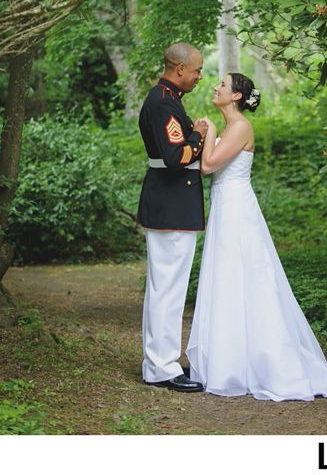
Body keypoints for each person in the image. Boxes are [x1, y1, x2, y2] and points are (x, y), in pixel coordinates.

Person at [185, 73, 327, 401]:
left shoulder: (239, 126)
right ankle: (228, 362)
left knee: (244, 277)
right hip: (225, 207)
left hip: (236, 211)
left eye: (223, 85)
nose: (216, 87)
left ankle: (261, 363)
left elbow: (208, 165)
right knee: (228, 279)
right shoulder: (231, 126)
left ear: (236, 96)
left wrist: (207, 130)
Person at [137, 43, 208, 392]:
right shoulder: (164, 102)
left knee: (165, 288)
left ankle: (160, 362)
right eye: (197, 70)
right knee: (167, 289)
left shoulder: (167, 98)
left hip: (170, 205)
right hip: (171, 206)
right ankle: (162, 367)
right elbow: (176, 157)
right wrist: (199, 135)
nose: (199, 76)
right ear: (179, 69)